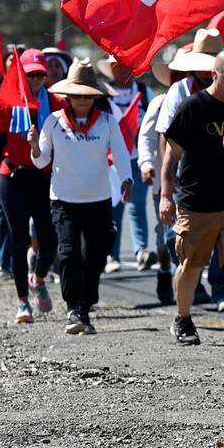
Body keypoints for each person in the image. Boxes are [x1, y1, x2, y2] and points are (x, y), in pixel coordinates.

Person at [30, 58, 132, 335]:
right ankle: (73, 308)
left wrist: (126, 178)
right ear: (68, 96)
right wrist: (34, 147)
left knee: (97, 255)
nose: (82, 101)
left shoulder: (107, 122)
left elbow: (121, 153)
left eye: (88, 96)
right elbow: (41, 162)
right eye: (77, 96)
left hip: (98, 199)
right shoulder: (53, 122)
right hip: (63, 199)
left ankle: (86, 305)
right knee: (69, 252)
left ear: (96, 95)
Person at [161, 51, 224, 346]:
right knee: (191, 264)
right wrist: (166, 195)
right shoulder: (194, 106)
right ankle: (183, 319)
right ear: (214, 75)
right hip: (196, 201)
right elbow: (171, 153)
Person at [0, 49, 65, 324]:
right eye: (31, 75)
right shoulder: (6, 104)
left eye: (41, 74)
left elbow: (65, 145)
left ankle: (38, 278)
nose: (37, 80)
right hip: (12, 177)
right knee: (18, 239)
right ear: (21, 75)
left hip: (44, 179)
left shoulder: (56, 103)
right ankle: (22, 302)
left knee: (49, 238)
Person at [157, 29, 224, 311]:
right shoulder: (179, 92)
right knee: (178, 243)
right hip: (188, 184)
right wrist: (166, 187)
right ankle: (184, 300)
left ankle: (222, 289)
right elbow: (167, 140)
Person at [98, 56, 154, 273]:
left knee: (137, 205)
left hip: (137, 157)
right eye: (119, 65)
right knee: (114, 208)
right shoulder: (103, 93)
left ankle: (141, 252)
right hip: (110, 158)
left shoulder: (144, 91)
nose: (123, 70)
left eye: (128, 66)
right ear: (112, 68)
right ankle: (112, 255)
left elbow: (150, 123)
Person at [139, 54, 184, 305]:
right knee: (165, 235)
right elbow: (145, 137)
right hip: (163, 178)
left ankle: (190, 282)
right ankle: (165, 273)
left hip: (189, 180)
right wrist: (146, 163)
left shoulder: (200, 102)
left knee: (185, 234)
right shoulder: (159, 103)